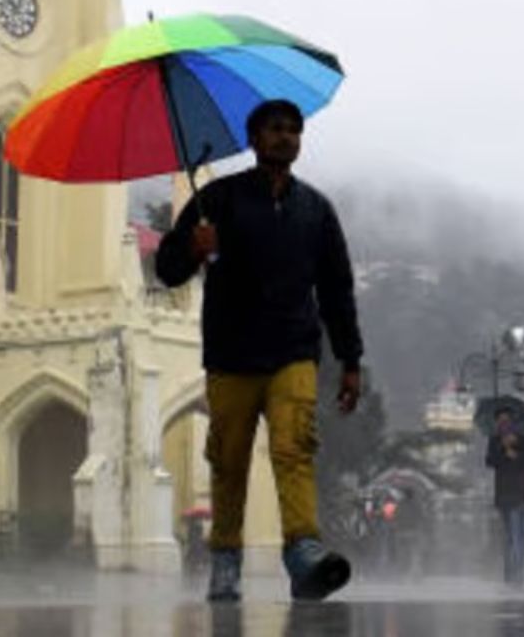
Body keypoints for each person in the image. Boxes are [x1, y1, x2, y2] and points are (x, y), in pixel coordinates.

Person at [154, 99, 366, 603]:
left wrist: (350, 359)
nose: (285, 137)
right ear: (253, 138)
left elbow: (337, 289)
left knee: (294, 448)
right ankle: (225, 559)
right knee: (227, 460)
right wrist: (193, 248)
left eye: (294, 129)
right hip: (231, 353)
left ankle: (303, 552)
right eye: (275, 128)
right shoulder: (218, 200)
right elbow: (166, 268)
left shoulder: (316, 210)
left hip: (293, 350)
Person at [486, 409, 524, 590]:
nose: (503, 424)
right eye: (500, 421)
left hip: (523, 493)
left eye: (506, 420)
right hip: (504, 494)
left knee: (521, 536)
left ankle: (517, 577)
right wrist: (503, 450)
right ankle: (511, 576)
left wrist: (517, 453)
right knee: (511, 537)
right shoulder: (495, 441)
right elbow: (490, 461)